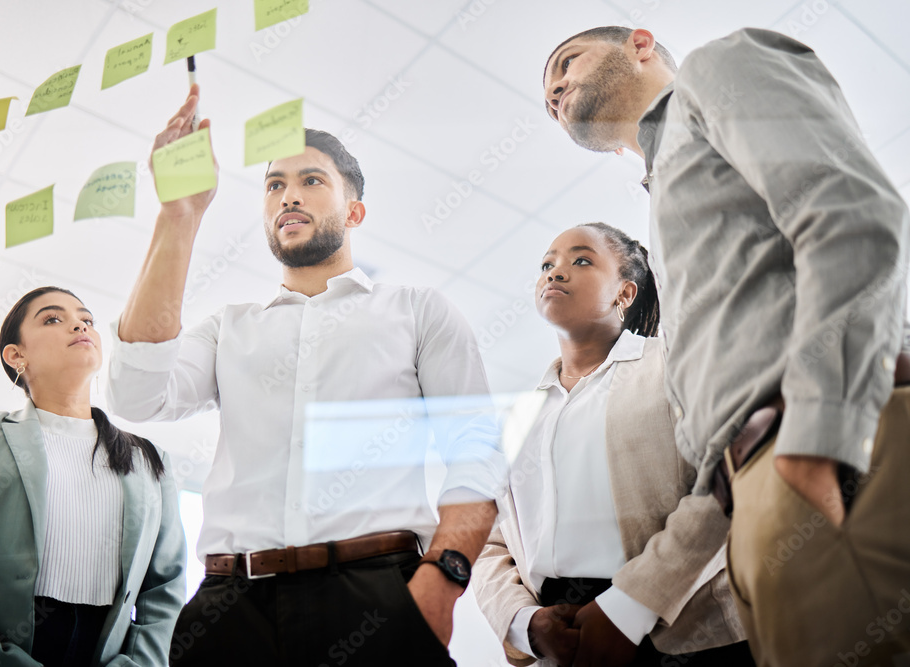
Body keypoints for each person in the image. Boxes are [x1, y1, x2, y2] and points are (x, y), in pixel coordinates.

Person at [541, 26, 910, 665]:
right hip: (755, 506)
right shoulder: (665, 199)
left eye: (566, 64)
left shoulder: (720, 69)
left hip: (833, 449)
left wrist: (822, 436)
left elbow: (853, 216)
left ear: (640, 43)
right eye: (548, 96)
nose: (555, 90)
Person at [106, 84, 506, 666]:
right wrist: (179, 215)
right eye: (275, 185)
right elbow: (136, 395)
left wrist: (443, 578)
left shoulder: (417, 310)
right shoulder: (229, 329)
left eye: (311, 180)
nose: (289, 194)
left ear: (354, 210)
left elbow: (477, 451)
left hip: (376, 595)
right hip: (228, 610)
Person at [473, 223, 751, 666]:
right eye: (548, 264)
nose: (556, 272)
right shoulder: (514, 417)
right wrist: (523, 624)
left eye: (581, 260)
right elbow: (489, 541)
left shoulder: (674, 364)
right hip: (561, 633)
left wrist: (628, 608)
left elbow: (727, 485)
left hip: (681, 625)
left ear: (624, 294)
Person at [0, 286, 186, 667]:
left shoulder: (150, 460)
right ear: (16, 355)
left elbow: (164, 588)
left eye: (86, 319)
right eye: (54, 319)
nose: (79, 325)